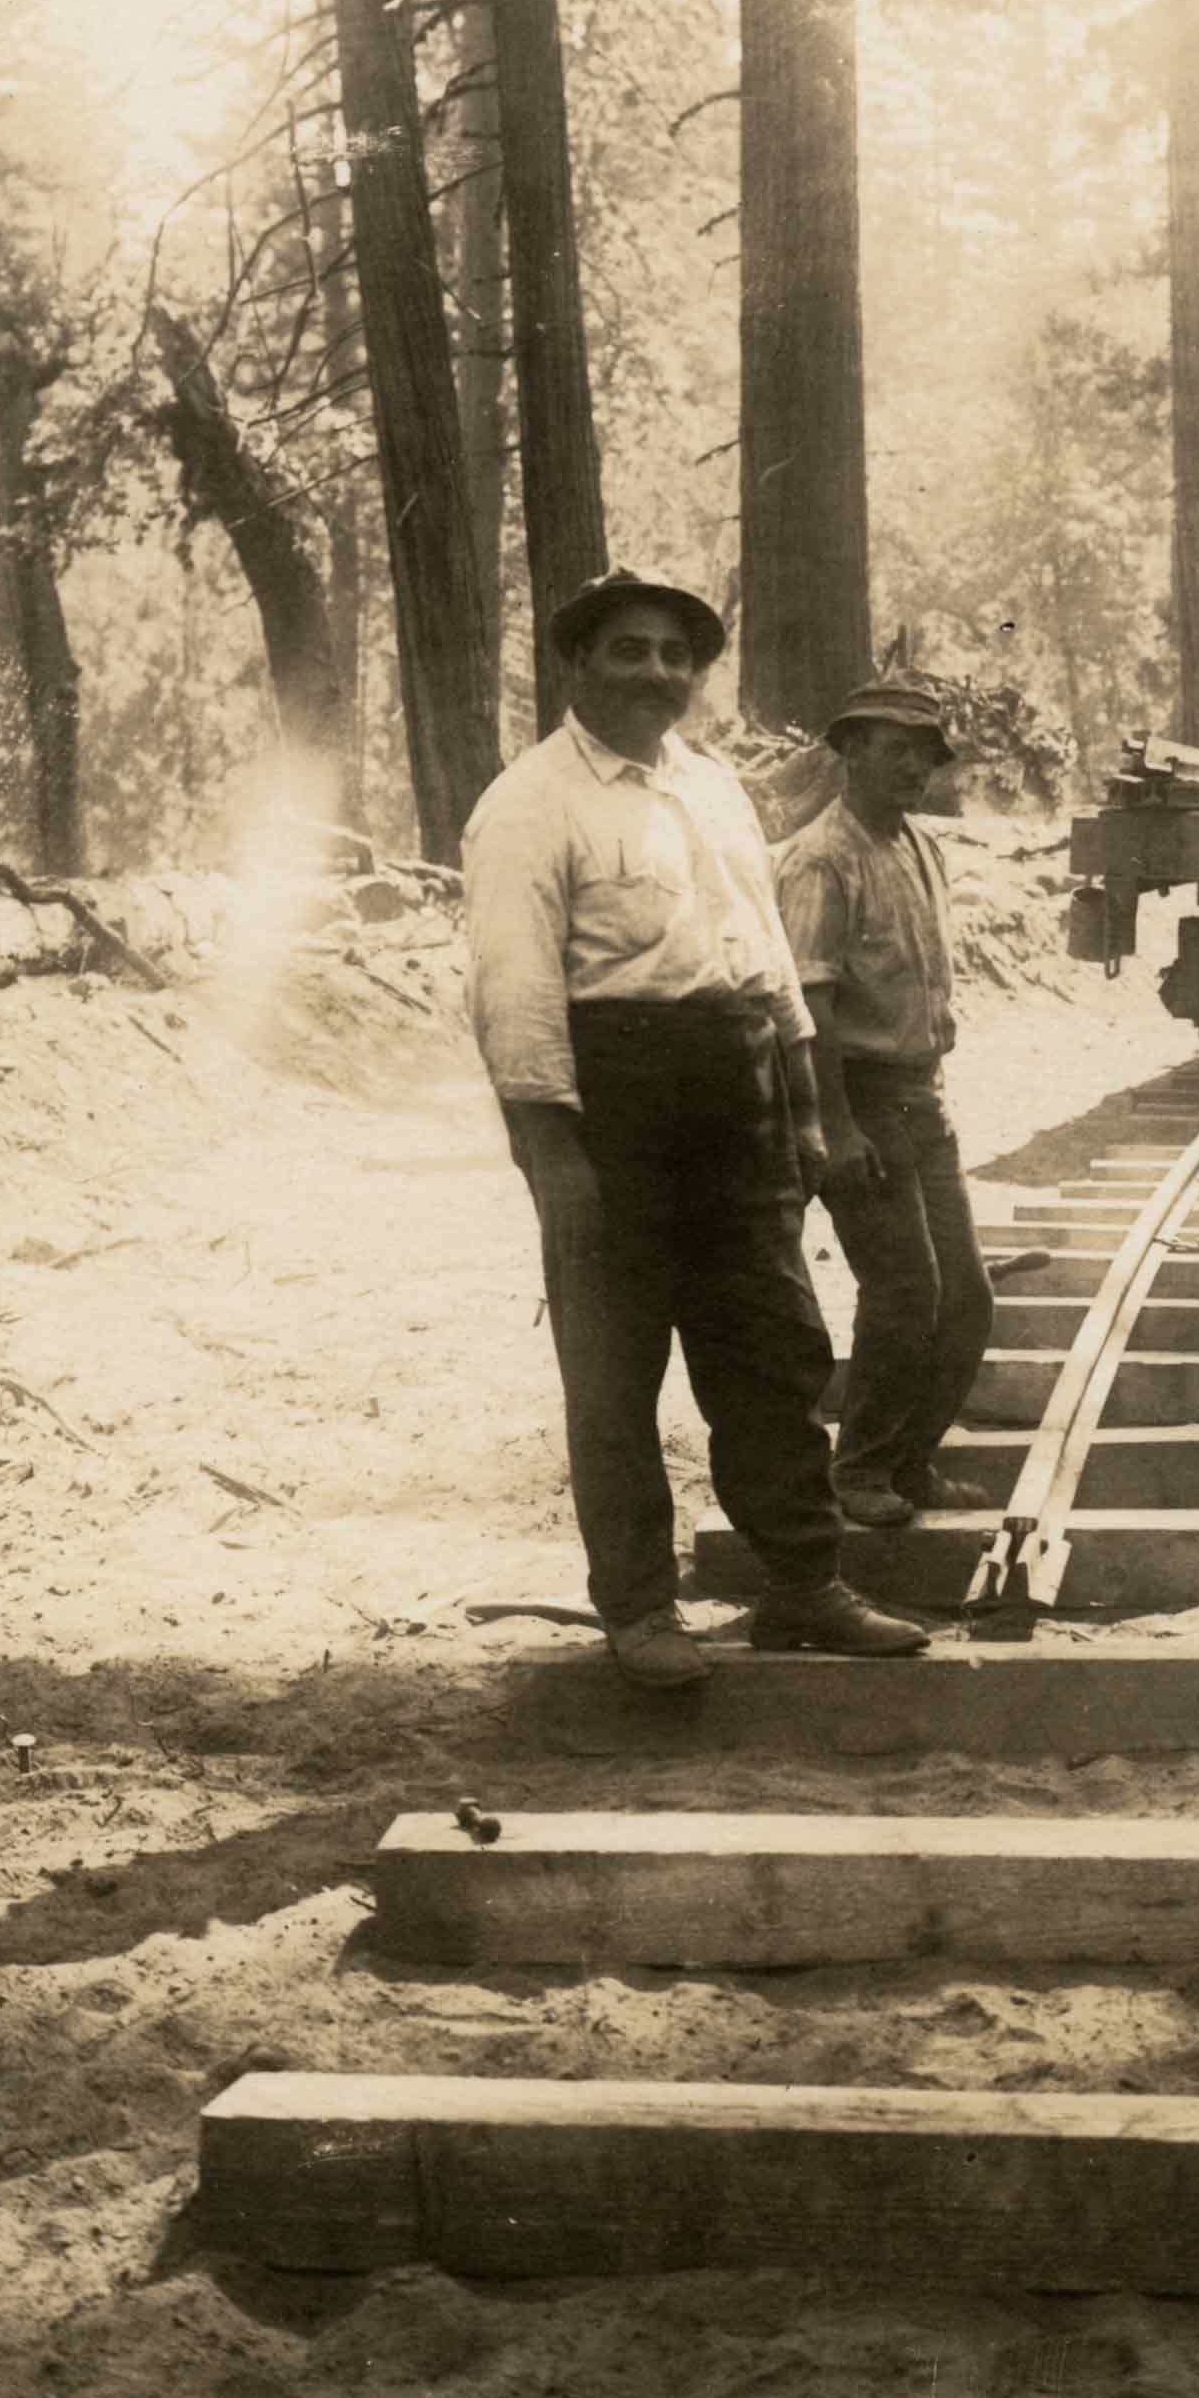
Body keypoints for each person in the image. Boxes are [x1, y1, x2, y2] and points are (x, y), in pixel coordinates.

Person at [461, 571, 930, 1689]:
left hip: (738, 1100)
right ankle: (637, 1609)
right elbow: (514, 995)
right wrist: (555, 1159)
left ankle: (803, 1585)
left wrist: (808, 1113)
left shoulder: (715, 791)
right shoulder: (528, 804)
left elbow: (767, 959)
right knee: (616, 1374)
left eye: (676, 655)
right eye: (630, 652)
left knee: (773, 1351)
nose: (657, 674)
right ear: (576, 665)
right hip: (611, 1113)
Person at [778, 677, 993, 1533]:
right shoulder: (819, 858)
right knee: (905, 1292)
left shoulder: (917, 847)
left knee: (966, 1299)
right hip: (859, 1099)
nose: (914, 767)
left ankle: (910, 1461)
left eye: (926, 753)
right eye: (896, 749)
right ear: (850, 750)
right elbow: (807, 1005)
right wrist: (832, 1124)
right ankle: (859, 1468)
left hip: (918, 1099)